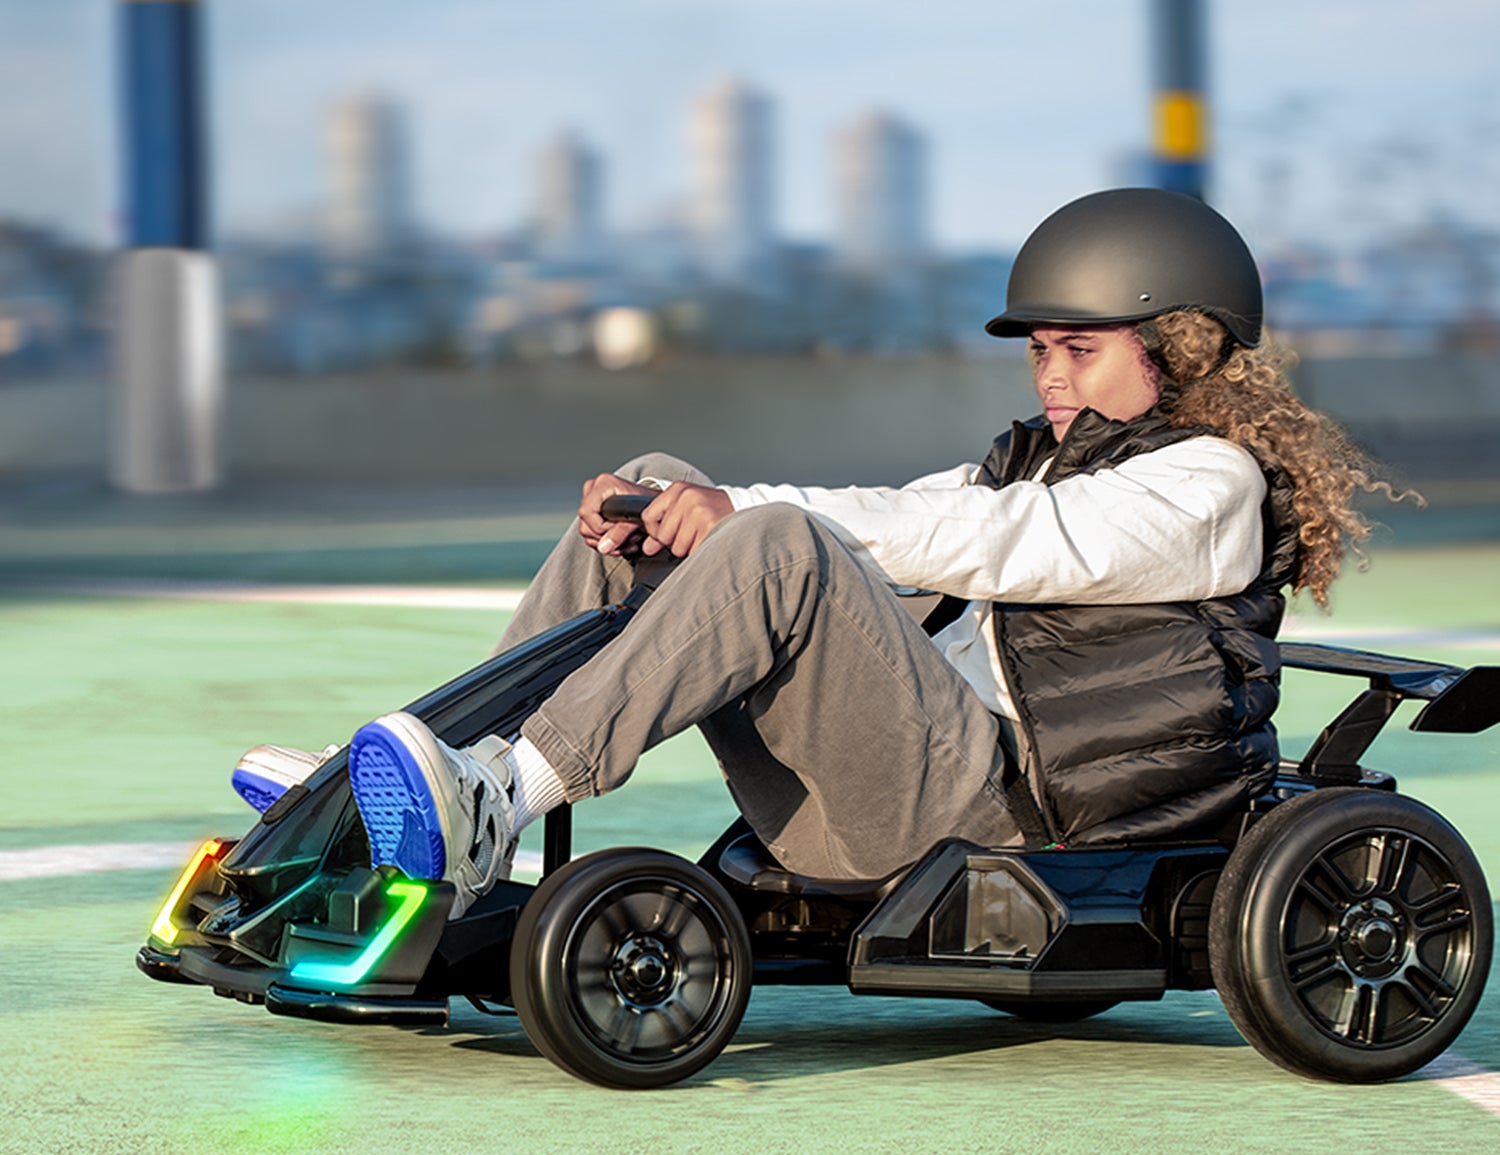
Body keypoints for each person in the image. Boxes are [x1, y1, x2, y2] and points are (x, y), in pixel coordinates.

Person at [235, 188, 1391, 918]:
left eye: (1078, 350)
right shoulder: (1030, 461)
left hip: (1006, 823)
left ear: (1181, 348)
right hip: (890, 790)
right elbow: (894, 520)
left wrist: (745, 512)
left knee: (774, 535)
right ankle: (426, 776)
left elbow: (1007, 546)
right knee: (669, 487)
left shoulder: (1207, 484)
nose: (1048, 377)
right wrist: (684, 509)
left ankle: (506, 799)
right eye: (1038, 350)